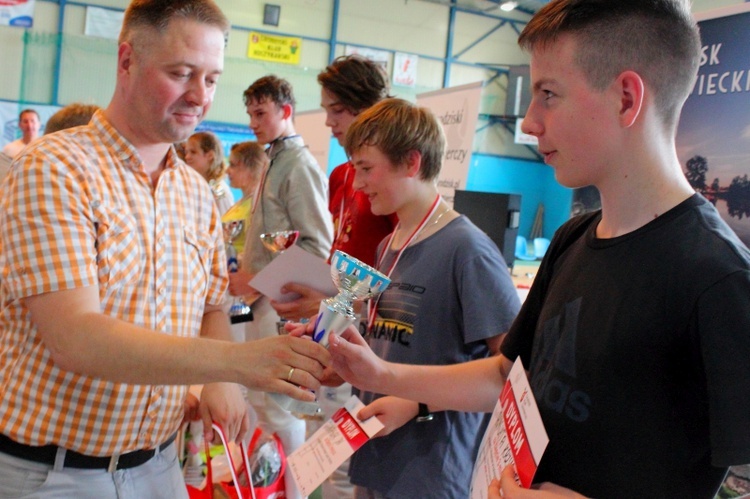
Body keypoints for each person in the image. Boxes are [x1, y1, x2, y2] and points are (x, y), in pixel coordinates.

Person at [320, 1, 750, 498]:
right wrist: (384, 375)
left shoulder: (717, 278)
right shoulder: (572, 240)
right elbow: (508, 374)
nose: (528, 121)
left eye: (548, 95)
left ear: (627, 99)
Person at [0, 1, 329, 497]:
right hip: (54, 473)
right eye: (181, 73)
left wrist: (219, 382)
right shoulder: (56, 169)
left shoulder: (195, 192)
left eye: (212, 79)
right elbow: (76, 337)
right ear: (127, 61)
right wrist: (234, 365)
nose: (200, 97)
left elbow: (212, 305)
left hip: (159, 465)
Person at [324, 97, 520, 499]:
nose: (357, 183)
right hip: (378, 454)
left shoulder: (468, 251)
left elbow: (511, 373)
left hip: (431, 469)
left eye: (366, 168)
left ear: (412, 163)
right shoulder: (387, 246)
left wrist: (419, 404)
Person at [230, 74, 333, 499]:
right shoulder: (274, 159)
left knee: (281, 406)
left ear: (285, 112)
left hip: (280, 300)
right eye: (250, 113)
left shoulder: (300, 164)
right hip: (257, 299)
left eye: (261, 113)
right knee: (260, 401)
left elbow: (316, 242)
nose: (253, 122)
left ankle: (295, 493)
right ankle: (267, 485)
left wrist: (260, 281)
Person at [270, 55, 397, 323]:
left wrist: (333, 303)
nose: (328, 121)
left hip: (373, 327)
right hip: (338, 320)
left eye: (337, 110)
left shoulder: (390, 181)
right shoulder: (340, 175)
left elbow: (405, 285)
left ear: (369, 108)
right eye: (326, 110)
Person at [184, 130, 234, 215]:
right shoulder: (194, 184)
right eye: (186, 152)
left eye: (193, 152)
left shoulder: (217, 188)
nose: (187, 157)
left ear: (210, 155)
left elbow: (226, 220)